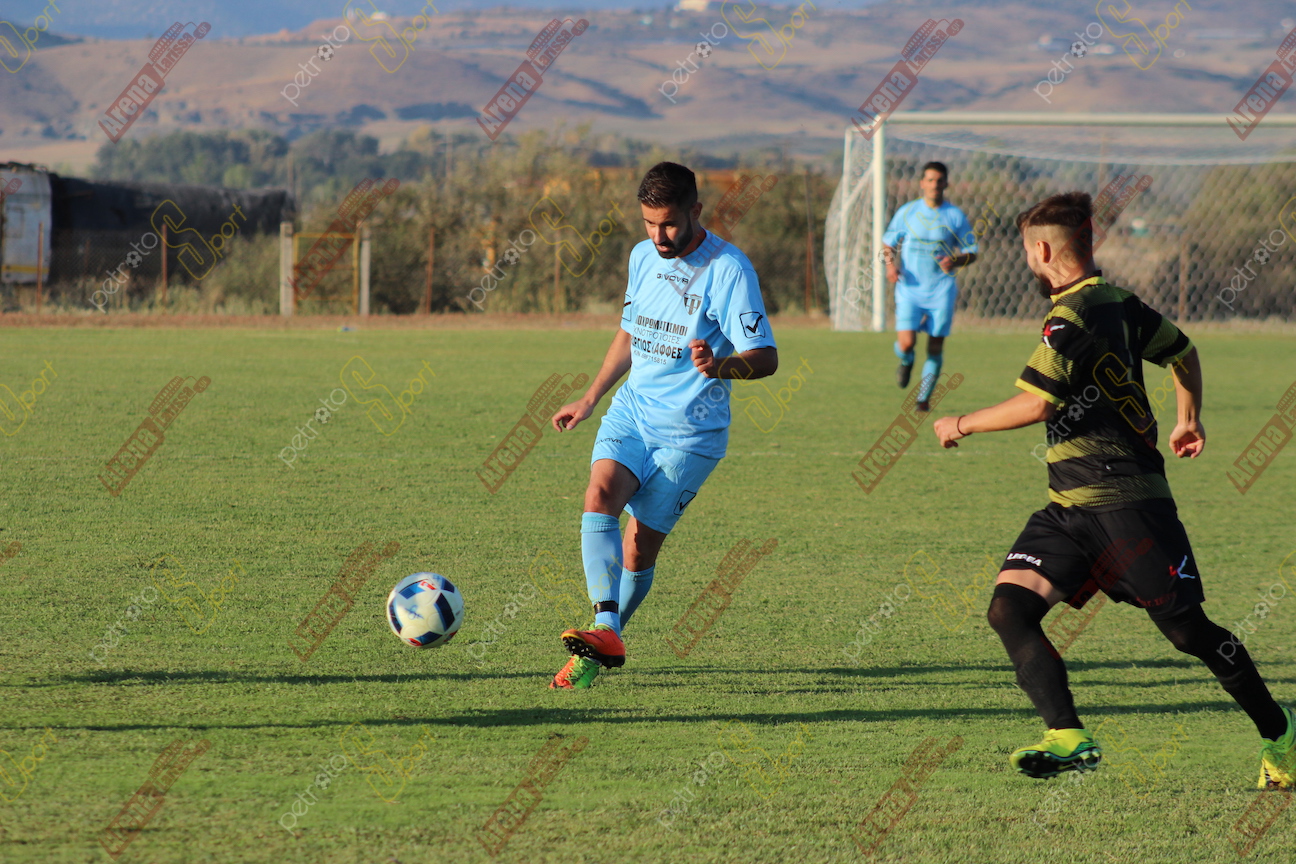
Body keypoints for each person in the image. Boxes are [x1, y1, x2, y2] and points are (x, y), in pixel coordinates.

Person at [932, 191, 1294, 786]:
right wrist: (1189, 417)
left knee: (1189, 633)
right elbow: (1183, 351)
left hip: (1127, 503)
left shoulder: (1070, 317)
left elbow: (1038, 403)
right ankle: (1067, 735)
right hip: (1069, 506)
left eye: (1026, 251)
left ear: (1041, 250)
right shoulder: (1118, 303)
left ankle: (1280, 730)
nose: (1027, 260)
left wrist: (961, 423)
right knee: (1009, 609)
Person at [547, 161, 779, 689]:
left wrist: (721, 366)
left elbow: (766, 359)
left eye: (670, 223)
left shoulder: (729, 269)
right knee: (599, 494)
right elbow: (630, 332)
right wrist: (590, 397)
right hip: (633, 410)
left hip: (691, 436)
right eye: (649, 224)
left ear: (696, 210)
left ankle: (601, 644)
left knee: (638, 549)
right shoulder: (641, 256)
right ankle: (606, 630)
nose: (659, 236)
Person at [881, 161, 978, 410]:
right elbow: (888, 243)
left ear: (946, 184)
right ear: (922, 183)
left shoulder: (954, 216)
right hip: (910, 288)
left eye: (939, 180)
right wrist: (890, 266)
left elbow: (972, 251)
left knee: (935, 346)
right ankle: (906, 360)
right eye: (930, 180)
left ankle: (923, 399)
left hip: (941, 290)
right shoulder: (908, 212)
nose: (935, 184)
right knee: (907, 343)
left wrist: (956, 260)